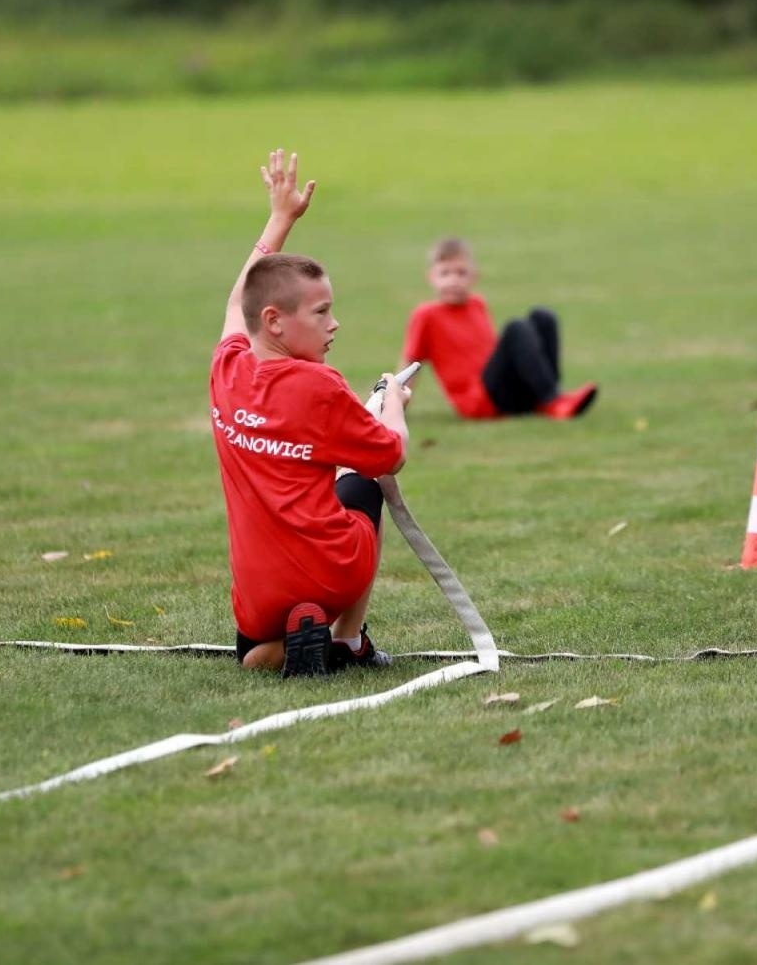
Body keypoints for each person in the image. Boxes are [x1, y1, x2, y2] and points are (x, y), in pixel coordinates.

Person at [209, 148, 412, 677]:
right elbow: (391, 454)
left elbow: (238, 303)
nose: (334, 324)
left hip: (259, 590)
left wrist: (279, 219)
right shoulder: (319, 385)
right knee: (363, 483)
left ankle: (279, 641)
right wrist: (392, 402)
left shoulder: (226, 369)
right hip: (329, 573)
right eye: (322, 312)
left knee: (252, 653)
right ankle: (347, 638)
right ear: (275, 322)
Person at [402, 238, 597, 421]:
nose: (453, 280)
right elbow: (411, 363)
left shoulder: (477, 304)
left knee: (542, 316)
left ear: (474, 276)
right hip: (479, 401)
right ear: (431, 277)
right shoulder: (426, 315)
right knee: (516, 328)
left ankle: (546, 397)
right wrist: (396, 406)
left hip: (503, 391)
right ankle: (553, 401)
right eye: (445, 273)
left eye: (461, 273)